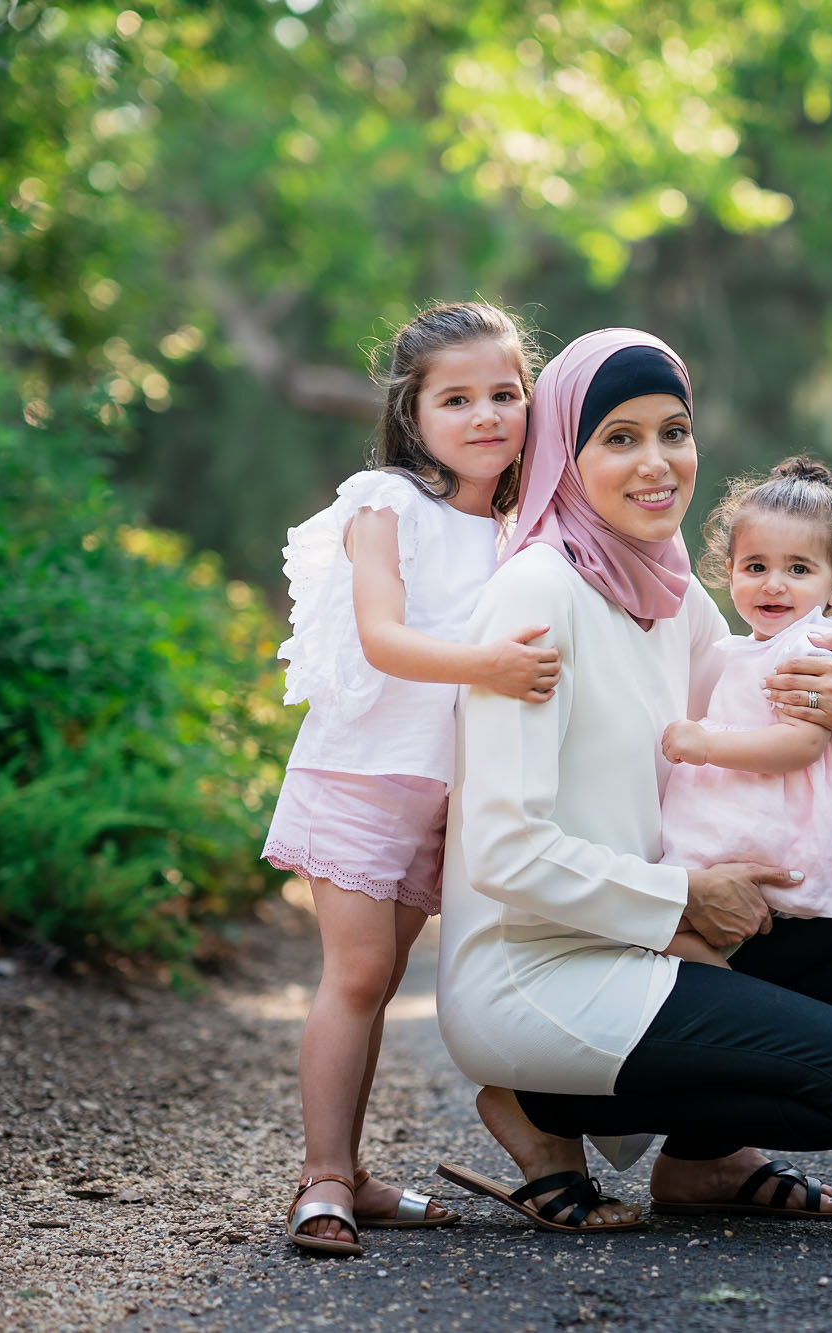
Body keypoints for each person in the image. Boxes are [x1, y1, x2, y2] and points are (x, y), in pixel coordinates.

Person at [433, 328, 832, 1234]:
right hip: (541, 968)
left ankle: (700, 1161)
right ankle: (539, 1104)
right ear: (564, 452)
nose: (657, 463)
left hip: (652, 933)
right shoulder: (538, 594)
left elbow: (778, 712)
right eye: (619, 438)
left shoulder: (669, 591)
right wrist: (682, 898)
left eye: (673, 431)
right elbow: (501, 850)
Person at [263, 302, 562, 1257]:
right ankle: (321, 1182)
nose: (486, 415)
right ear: (413, 413)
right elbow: (386, 639)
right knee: (352, 975)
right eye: (457, 398)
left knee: (383, 979)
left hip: (445, 792)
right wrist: (493, 669)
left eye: (505, 394)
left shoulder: (525, 531)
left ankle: (353, 1172)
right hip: (359, 774)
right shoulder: (386, 505)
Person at [656, 457, 832, 966]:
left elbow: (802, 744)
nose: (773, 584)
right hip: (747, 809)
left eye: (799, 569)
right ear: (730, 572)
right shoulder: (755, 645)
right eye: (756, 566)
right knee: (673, 921)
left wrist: (707, 746)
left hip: (776, 823)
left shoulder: (808, 648)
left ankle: (726, 995)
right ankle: (726, 989)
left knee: (669, 919)